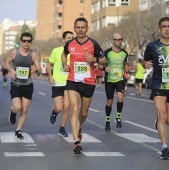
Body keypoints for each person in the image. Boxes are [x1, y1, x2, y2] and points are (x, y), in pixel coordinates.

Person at [61, 17, 106, 154]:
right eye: (78, 27)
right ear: (74, 29)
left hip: (88, 82)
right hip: (73, 81)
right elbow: (64, 54)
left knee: (84, 112)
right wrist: (64, 64)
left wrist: (95, 59)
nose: (80, 30)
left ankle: (78, 127)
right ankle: (76, 142)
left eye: (83, 27)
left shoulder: (93, 43)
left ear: (87, 28)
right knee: (74, 109)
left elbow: (104, 59)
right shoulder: (70, 43)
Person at [5, 32, 41, 139]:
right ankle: (13, 111)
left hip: (28, 85)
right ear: (21, 41)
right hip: (16, 84)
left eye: (28, 41)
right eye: (24, 40)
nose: (26, 43)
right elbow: (6, 62)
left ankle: (18, 130)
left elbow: (38, 68)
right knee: (18, 107)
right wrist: (12, 70)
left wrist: (36, 69)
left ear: (30, 42)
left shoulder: (33, 54)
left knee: (24, 109)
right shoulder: (14, 52)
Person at [143, 17, 169, 160]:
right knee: (162, 115)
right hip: (158, 84)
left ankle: (161, 120)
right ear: (160, 29)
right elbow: (145, 61)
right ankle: (165, 148)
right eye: (164, 26)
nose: (167, 29)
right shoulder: (152, 46)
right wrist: (145, 64)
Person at [98, 33, 129, 131]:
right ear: (113, 40)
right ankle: (107, 121)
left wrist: (127, 72)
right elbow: (99, 65)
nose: (119, 41)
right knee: (109, 101)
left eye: (121, 39)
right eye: (117, 39)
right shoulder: (107, 52)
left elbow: (125, 64)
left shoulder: (124, 53)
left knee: (120, 98)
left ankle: (118, 117)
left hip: (120, 79)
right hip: (109, 80)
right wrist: (104, 68)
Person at [47, 31, 74, 137]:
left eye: (72, 38)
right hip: (58, 81)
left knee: (67, 107)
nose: (71, 39)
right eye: (68, 38)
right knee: (59, 107)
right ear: (64, 39)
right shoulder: (57, 50)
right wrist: (50, 76)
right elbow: (49, 63)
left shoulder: (75, 52)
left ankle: (62, 128)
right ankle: (54, 112)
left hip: (70, 82)